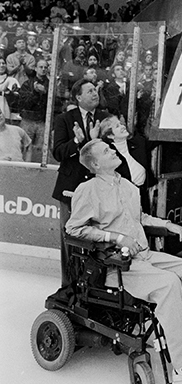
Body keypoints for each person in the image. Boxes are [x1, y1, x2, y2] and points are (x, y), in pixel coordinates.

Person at [66, 138, 182, 384]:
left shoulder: (129, 187)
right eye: (107, 150)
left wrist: (166, 224)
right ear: (96, 164)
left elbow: (139, 217)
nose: (113, 150)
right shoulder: (87, 191)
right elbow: (74, 229)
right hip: (116, 266)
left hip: (143, 256)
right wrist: (115, 237)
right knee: (169, 284)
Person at [52, 79, 110, 286]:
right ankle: (68, 288)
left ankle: (92, 289)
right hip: (70, 190)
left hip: (97, 190)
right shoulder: (65, 119)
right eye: (90, 90)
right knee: (70, 239)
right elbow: (58, 152)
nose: (96, 93)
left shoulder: (104, 118)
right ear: (78, 97)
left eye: (96, 90)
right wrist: (77, 141)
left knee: (95, 240)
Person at [100, 114, 156, 212]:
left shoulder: (139, 143)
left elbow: (158, 140)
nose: (123, 126)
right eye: (117, 126)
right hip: (121, 200)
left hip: (142, 195)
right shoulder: (107, 153)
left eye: (121, 124)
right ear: (110, 135)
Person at [19, 59, 50, 163]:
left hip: (42, 121)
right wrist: (35, 93)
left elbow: (55, 103)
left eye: (45, 67)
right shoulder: (27, 84)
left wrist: (45, 93)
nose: (43, 69)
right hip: (28, 120)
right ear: (36, 68)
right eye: (41, 67)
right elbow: (24, 104)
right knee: (25, 147)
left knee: (40, 150)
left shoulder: (51, 85)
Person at [0, 57, 20, 123]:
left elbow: (17, 98)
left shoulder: (11, 80)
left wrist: (9, 94)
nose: (1, 65)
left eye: (3, 63)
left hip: (5, 110)